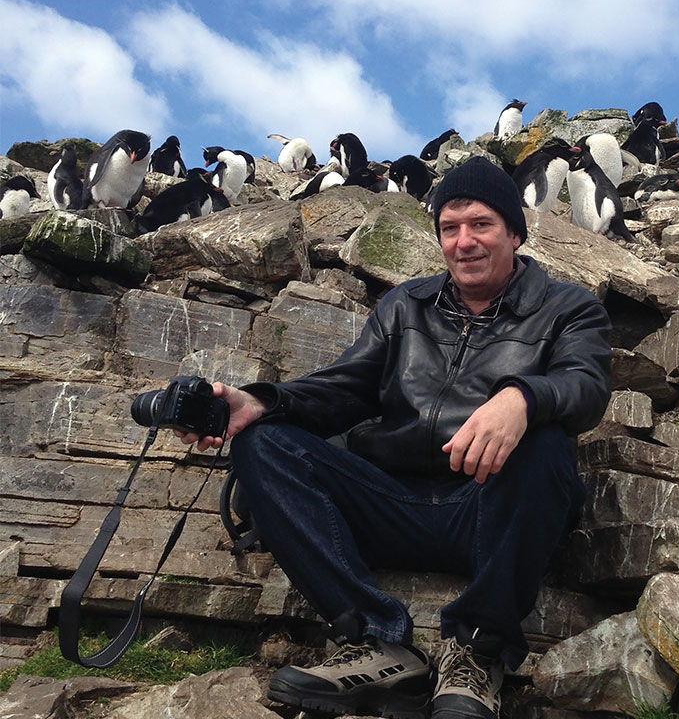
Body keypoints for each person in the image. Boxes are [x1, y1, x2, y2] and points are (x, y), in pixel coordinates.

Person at [177, 156, 612, 719]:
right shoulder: (405, 304)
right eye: (449, 229)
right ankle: (377, 644)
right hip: (387, 502)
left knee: (547, 444)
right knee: (263, 443)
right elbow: (344, 390)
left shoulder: (567, 307)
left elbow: (586, 386)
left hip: (486, 504)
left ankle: (477, 654)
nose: (464, 242)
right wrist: (258, 401)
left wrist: (522, 398)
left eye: (481, 225)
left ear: (516, 232)